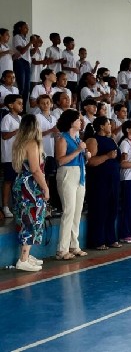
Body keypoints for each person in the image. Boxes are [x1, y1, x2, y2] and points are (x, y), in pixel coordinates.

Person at [11, 114, 49, 272]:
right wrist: (45, 188)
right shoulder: (32, 143)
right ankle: (23, 259)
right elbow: (35, 170)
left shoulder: (19, 143)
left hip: (21, 184)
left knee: (25, 219)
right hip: (31, 187)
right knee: (31, 220)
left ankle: (26, 255)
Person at [55, 109, 90, 260]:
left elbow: (79, 155)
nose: (81, 122)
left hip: (79, 173)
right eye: (78, 120)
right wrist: (78, 151)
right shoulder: (62, 139)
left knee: (77, 211)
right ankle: (62, 249)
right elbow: (60, 160)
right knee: (69, 211)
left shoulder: (77, 138)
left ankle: (74, 245)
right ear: (71, 122)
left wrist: (85, 155)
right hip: (67, 173)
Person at [85, 116, 121, 250]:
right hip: (99, 181)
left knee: (112, 209)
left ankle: (110, 238)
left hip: (113, 180)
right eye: (108, 124)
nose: (111, 126)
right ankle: (97, 240)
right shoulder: (93, 140)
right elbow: (90, 161)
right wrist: (107, 156)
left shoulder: (111, 140)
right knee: (100, 210)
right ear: (101, 126)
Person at [1, 94, 23, 219]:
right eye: (19, 103)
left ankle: (16, 205)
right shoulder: (7, 118)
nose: (21, 105)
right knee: (8, 181)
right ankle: (5, 206)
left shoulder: (20, 118)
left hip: (18, 156)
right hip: (9, 156)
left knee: (17, 181)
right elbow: (4, 136)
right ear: (10, 105)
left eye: (22, 103)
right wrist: (16, 132)